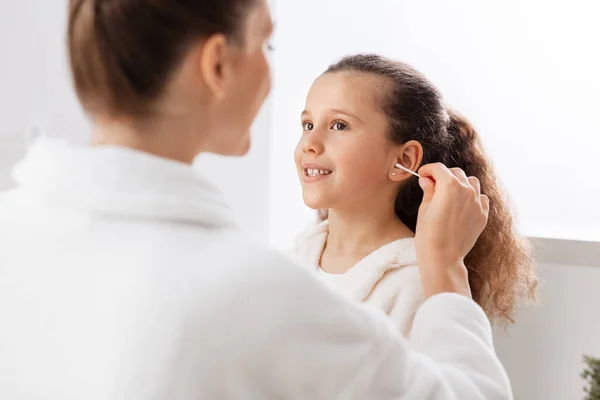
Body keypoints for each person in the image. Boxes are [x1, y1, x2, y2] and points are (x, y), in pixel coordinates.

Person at [0, 0, 511, 398]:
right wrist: (445, 266)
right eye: (266, 45)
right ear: (217, 64)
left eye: (338, 125)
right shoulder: (250, 289)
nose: (309, 136)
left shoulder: (14, 232)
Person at [289, 54, 538, 335]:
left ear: (405, 160)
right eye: (308, 125)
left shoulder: (416, 282)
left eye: (339, 125)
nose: (309, 143)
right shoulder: (301, 252)